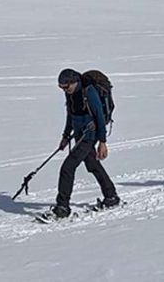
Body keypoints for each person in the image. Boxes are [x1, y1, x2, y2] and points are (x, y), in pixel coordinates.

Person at [47, 68, 119, 219]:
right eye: (61, 88)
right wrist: (66, 136)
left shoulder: (89, 92)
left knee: (67, 167)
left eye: (66, 87)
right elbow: (70, 114)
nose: (64, 90)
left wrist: (102, 142)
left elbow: (99, 117)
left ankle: (62, 207)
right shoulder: (70, 94)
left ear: (74, 81)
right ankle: (111, 196)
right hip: (79, 134)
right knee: (92, 164)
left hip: (89, 135)